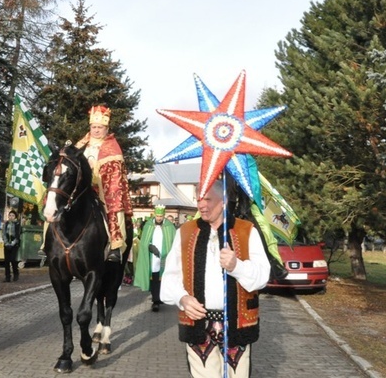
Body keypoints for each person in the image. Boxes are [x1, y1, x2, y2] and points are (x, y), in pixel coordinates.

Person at [160, 178, 271, 378]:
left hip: (236, 328)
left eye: (208, 199)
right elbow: (170, 277)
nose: (201, 205)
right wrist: (182, 298)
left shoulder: (247, 231)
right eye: (198, 199)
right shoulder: (185, 232)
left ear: (224, 201)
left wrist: (236, 266)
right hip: (198, 326)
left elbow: (263, 276)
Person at [75, 105, 133, 263]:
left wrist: (97, 175)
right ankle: (48, 242)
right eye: (94, 127)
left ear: (106, 128)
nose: (96, 130)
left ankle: (115, 246)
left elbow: (115, 174)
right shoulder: (80, 145)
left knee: (114, 203)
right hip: (80, 187)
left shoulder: (112, 147)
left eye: (100, 127)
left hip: (102, 187)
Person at [133, 205, 176, 311]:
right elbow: (144, 242)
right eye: (157, 216)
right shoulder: (148, 225)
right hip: (152, 257)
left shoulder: (169, 226)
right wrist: (149, 246)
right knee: (154, 278)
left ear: (164, 215)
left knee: (163, 277)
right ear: (154, 214)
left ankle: (160, 297)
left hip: (164, 257)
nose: (159, 218)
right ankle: (155, 300)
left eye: (161, 216)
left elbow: (174, 242)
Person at [2, 209, 21, 282]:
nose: (11, 217)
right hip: (7, 243)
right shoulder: (6, 223)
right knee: (6, 261)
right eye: (10, 215)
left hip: (14, 244)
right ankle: (7, 276)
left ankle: (16, 273)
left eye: (13, 215)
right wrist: (6, 243)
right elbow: (3, 233)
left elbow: (17, 235)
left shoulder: (17, 224)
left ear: (15, 216)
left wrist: (12, 244)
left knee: (13, 260)